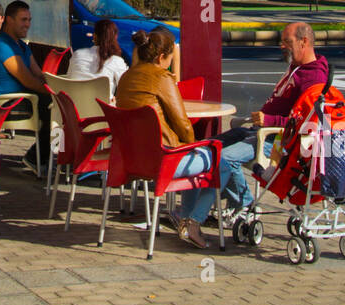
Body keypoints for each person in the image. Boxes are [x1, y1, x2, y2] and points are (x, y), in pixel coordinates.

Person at [115, 27, 226, 250]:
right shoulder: (162, 78)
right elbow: (183, 123)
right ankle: (192, 221)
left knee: (198, 158)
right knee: (221, 165)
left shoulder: (126, 78)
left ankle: (184, 219)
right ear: (161, 57)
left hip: (131, 161)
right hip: (164, 161)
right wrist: (191, 142)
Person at [214, 21, 329, 217]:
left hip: (278, 140)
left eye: (287, 41)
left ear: (304, 42)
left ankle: (245, 206)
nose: (282, 46)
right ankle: (227, 202)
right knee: (210, 148)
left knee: (224, 159)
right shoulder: (296, 66)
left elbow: (307, 123)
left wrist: (269, 120)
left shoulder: (314, 78)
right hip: (261, 131)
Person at [0, 0, 51, 173]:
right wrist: (54, 92)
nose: (27, 24)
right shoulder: (3, 46)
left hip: (24, 98)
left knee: (58, 104)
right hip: (7, 104)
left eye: (29, 20)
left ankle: (44, 156)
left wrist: (56, 86)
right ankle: (37, 157)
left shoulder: (21, 45)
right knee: (54, 105)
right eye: (23, 20)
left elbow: (38, 74)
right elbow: (28, 80)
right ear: (9, 20)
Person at [67, 19, 129, 98]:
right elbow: (125, 88)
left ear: (94, 36)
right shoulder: (116, 61)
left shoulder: (77, 54)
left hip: (73, 107)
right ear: (115, 38)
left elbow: (69, 79)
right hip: (102, 109)